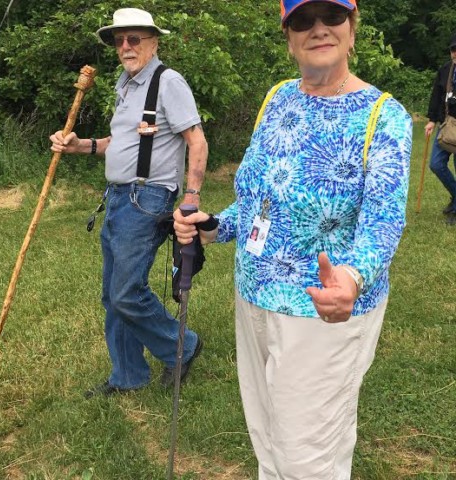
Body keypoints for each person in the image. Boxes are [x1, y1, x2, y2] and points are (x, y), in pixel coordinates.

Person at [174, 0, 412, 478]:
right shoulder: (279, 96)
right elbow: (258, 198)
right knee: (269, 439)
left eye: (333, 16)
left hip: (320, 312)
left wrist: (351, 276)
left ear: (352, 27)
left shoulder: (383, 116)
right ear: (288, 35)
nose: (319, 28)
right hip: (255, 295)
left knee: (308, 456)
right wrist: (216, 225)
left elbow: (382, 222)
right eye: (303, 20)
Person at [50, 8, 208, 398]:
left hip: (148, 197)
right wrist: (81, 145)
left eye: (134, 39)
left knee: (126, 291)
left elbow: (197, 141)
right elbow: (118, 143)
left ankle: (182, 346)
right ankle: (128, 376)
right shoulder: (126, 83)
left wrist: (191, 198)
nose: (125, 46)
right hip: (118, 197)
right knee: (112, 294)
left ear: (153, 42)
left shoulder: (168, 82)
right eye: (119, 40)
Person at [425, 32, 456, 226]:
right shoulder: (445, 70)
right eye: (453, 49)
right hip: (446, 124)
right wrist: (431, 120)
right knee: (436, 164)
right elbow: (436, 95)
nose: (455, 53)